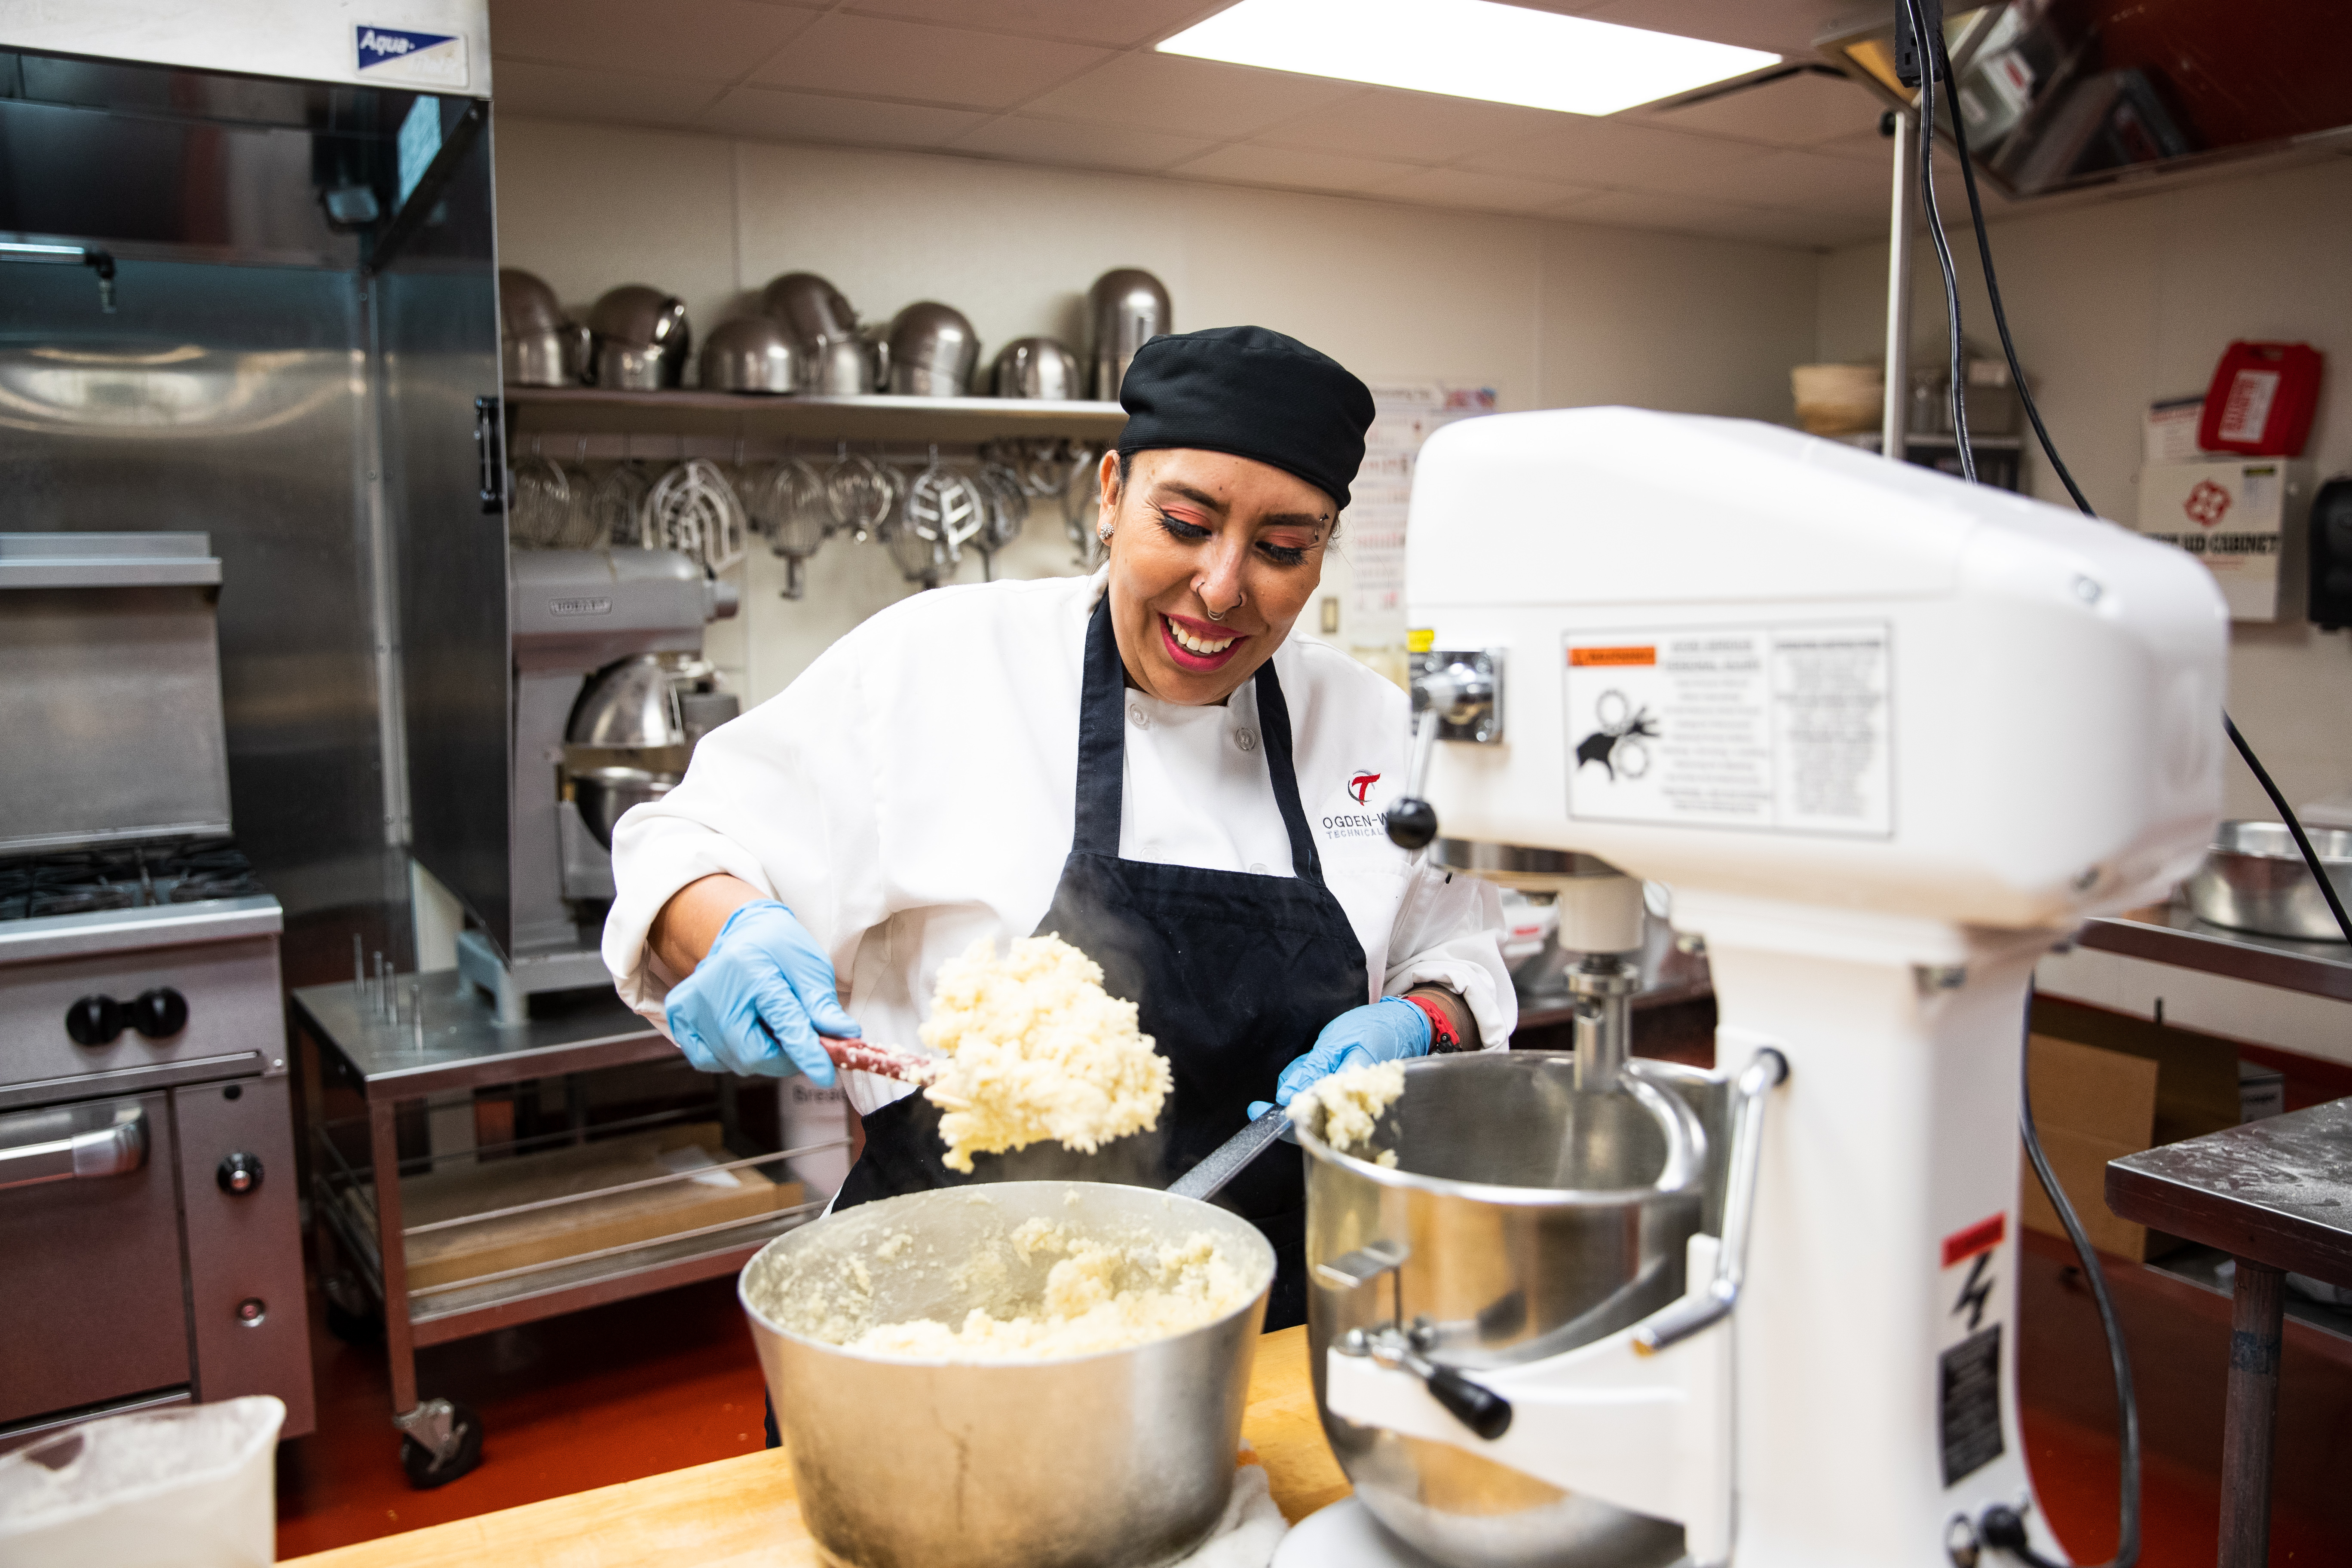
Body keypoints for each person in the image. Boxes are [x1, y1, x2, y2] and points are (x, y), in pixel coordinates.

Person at [605, 325, 1513, 1333]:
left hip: (1273, 1321)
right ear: (1112, 492)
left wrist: (1420, 1024)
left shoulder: (1372, 726)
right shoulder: (938, 664)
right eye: (1185, 523)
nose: (1221, 588)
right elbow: (689, 842)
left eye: (1280, 549)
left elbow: (1459, 955)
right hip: (951, 1312)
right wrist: (730, 931)